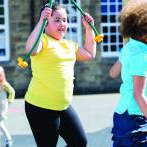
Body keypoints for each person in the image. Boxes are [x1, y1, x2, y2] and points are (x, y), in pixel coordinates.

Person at [24, 3, 96, 147]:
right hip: (40, 107)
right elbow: (31, 49)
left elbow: (89, 54)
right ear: (46, 23)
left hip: (63, 106)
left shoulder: (69, 44)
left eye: (64, 20)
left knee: (79, 142)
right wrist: (40, 21)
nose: (62, 23)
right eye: (57, 20)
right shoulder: (42, 41)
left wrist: (89, 29)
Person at [111, 0, 147, 146]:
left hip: (123, 114)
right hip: (136, 118)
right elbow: (139, 95)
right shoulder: (143, 58)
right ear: (146, 31)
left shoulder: (129, 48)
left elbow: (113, 73)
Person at [0, 66, 15, 147]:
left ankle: (9, 139)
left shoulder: (4, 84)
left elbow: (12, 91)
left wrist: (10, 101)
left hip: (2, 105)